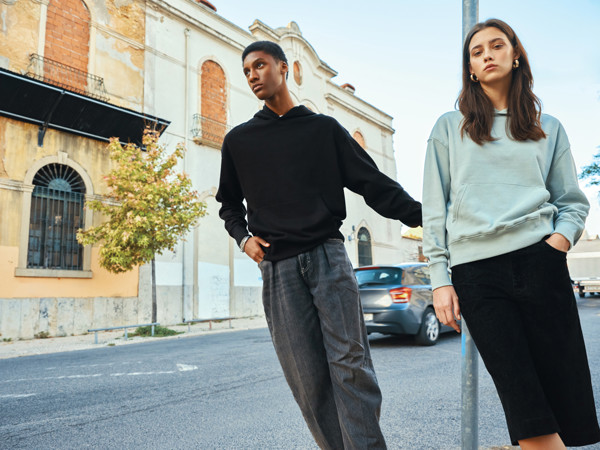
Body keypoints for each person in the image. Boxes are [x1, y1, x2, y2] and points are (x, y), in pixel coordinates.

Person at [216, 40, 421, 449]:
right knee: (307, 379)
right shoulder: (239, 141)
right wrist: (243, 239)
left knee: (351, 367)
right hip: (279, 270)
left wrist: (427, 219)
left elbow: (373, 184)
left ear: (284, 68)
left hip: (329, 259)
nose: (253, 75)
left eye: (260, 65)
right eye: (246, 71)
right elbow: (227, 204)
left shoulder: (323, 129)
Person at [423, 18, 600, 449]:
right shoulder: (450, 127)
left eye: (496, 46)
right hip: (477, 272)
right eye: (476, 51)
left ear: (515, 54)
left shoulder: (548, 127)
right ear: (469, 68)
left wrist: (558, 241)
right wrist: (440, 279)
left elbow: (572, 201)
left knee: (565, 394)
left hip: (540, 261)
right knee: (523, 400)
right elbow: (434, 208)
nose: (487, 54)